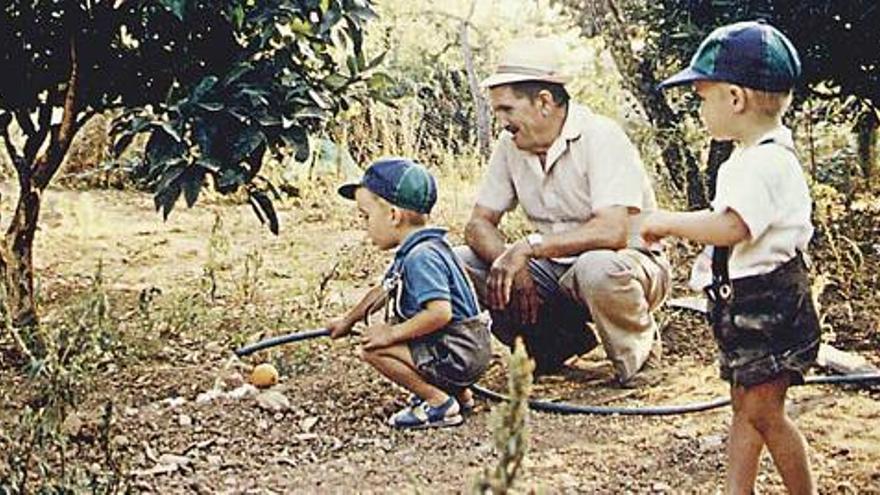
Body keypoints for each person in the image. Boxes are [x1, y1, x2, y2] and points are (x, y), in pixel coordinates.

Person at [643, 21, 820, 494]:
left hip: (771, 303)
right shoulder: (746, 157)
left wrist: (665, 221)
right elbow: (729, 220)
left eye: (703, 96)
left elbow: (731, 227)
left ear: (735, 99)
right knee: (744, 406)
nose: (699, 108)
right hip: (742, 302)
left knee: (765, 412)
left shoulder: (765, 162)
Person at [458, 37, 671, 384]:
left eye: (507, 110)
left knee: (597, 266)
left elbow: (611, 232)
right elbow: (478, 224)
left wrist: (528, 247)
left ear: (543, 102)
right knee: (462, 262)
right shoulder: (510, 145)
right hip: (555, 273)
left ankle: (640, 359)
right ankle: (554, 345)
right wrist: (509, 261)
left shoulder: (600, 136)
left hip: (629, 263)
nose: (500, 121)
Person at [327, 157, 491, 429]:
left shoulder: (420, 257)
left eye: (366, 216)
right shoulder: (424, 247)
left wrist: (389, 335)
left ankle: (439, 403)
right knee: (396, 328)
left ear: (393, 215)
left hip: (460, 353)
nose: (364, 225)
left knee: (374, 349)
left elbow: (440, 313)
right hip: (466, 347)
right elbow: (383, 289)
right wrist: (348, 320)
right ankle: (459, 394)